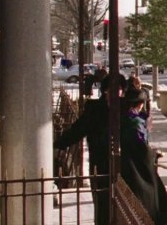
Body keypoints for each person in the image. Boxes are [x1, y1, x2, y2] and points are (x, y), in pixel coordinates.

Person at [54, 73, 126, 225]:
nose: (115, 93)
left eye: (118, 89)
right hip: (100, 164)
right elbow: (78, 130)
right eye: (110, 89)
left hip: (123, 164)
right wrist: (58, 144)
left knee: (123, 206)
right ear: (105, 91)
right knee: (102, 205)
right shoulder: (94, 109)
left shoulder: (125, 108)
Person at [120, 87, 167, 225]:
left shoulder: (128, 117)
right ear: (140, 103)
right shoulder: (134, 121)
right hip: (137, 165)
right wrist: (153, 153)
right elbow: (140, 147)